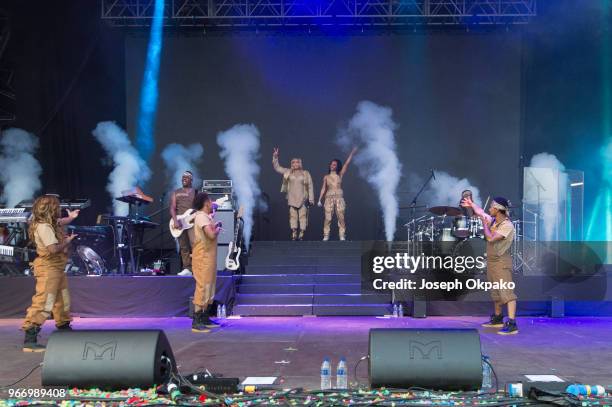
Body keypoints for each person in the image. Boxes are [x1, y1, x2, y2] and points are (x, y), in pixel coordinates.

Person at [22, 195, 80, 352]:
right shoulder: (44, 227)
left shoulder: (49, 223)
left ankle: (63, 326)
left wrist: (71, 217)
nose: (59, 209)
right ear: (51, 209)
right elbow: (53, 249)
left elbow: (61, 222)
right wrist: (67, 241)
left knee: (62, 298)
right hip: (49, 268)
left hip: (56, 267)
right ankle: (30, 338)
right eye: (57, 207)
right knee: (45, 301)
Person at [461, 196, 518, 335]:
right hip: (492, 262)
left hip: (501, 262)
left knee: (507, 293)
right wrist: (471, 204)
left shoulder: (507, 225)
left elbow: (491, 238)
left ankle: (512, 323)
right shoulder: (494, 220)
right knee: (496, 292)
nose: (489, 208)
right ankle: (498, 318)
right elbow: (480, 212)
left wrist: (484, 224)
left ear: (498, 210)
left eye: (492, 206)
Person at [190, 192, 222, 332]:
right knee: (203, 286)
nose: (212, 203)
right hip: (202, 257)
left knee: (209, 286)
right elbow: (210, 235)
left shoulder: (205, 217)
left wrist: (215, 226)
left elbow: (209, 232)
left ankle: (204, 316)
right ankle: (196, 321)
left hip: (209, 257)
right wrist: (217, 230)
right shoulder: (201, 216)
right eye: (210, 201)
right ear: (205, 203)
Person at [272, 148, 314, 241]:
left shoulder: (305, 173)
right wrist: (275, 157)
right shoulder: (288, 172)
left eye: (297, 162)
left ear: (300, 163)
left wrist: (311, 199)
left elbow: (310, 186)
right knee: (293, 216)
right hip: (292, 198)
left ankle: (302, 233)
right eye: (293, 162)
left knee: (303, 216)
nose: (295, 164)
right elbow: (277, 168)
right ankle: (294, 232)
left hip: (302, 198)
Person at [317, 147, 357, 241]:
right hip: (329, 198)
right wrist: (319, 199)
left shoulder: (340, 175)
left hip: (339, 198)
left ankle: (342, 235)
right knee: (328, 218)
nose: (332, 165)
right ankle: (326, 235)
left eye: (334, 164)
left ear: (337, 166)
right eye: (331, 164)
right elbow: (323, 188)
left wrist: (352, 153)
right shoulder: (326, 177)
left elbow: (347, 163)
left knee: (341, 217)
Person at [170, 171, 196, 276]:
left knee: (195, 245)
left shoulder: (196, 192)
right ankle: (187, 269)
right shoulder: (176, 192)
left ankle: (196, 268)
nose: (183, 179)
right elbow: (172, 208)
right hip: (180, 223)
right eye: (182, 178)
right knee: (183, 246)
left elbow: (200, 207)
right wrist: (175, 220)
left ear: (191, 179)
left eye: (186, 177)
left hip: (192, 222)